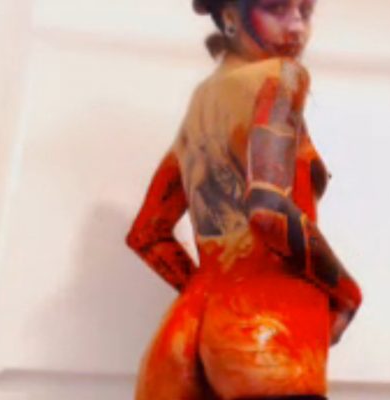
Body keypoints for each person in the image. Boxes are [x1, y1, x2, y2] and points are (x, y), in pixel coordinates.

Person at [125, 0, 362, 398]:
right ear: (231, 17)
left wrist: (207, 293)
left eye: (305, 11)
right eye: (275, 8)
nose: (296, 28)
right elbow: (268, 208)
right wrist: (347, 293)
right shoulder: (281, 77)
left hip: (185, 332)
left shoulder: (203, 100)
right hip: (268, 331)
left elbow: (148, 234)